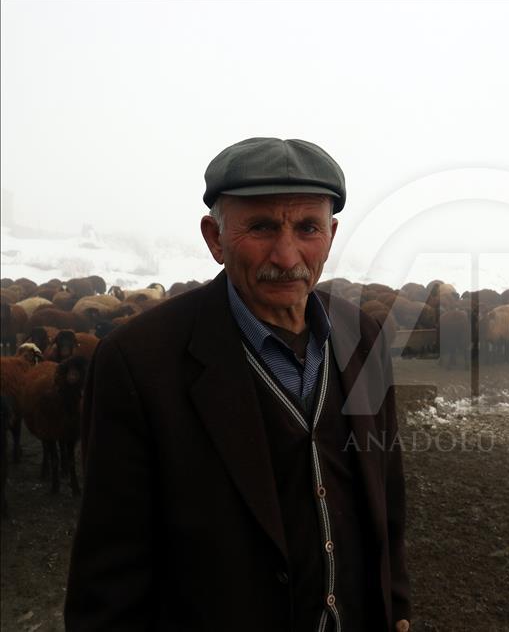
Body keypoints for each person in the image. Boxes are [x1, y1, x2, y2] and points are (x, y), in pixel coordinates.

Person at [65, 137, 411, 632]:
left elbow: (387, 500)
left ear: (331, 235)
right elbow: (110, 574)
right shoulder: (138, 361)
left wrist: (395, 606)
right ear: (215, 238)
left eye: (308, 228)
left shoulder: (363, 336)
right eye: (262, 227)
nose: (287, 256)